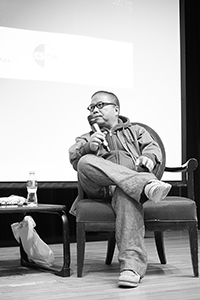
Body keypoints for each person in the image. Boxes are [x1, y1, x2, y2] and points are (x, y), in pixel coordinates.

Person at [69, 90, 171, 288]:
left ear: (116, 109)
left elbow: (152, 148)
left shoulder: (136, 130)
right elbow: (74, 157)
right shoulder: (88, 136)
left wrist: (148, 158)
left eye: (100, 105)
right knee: (85, 162)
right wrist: (88, 147)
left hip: (124, 190)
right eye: (91, 107)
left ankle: (131, 268)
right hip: (99, 188)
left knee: (126, 193)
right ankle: (145, 185)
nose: (94, 110)